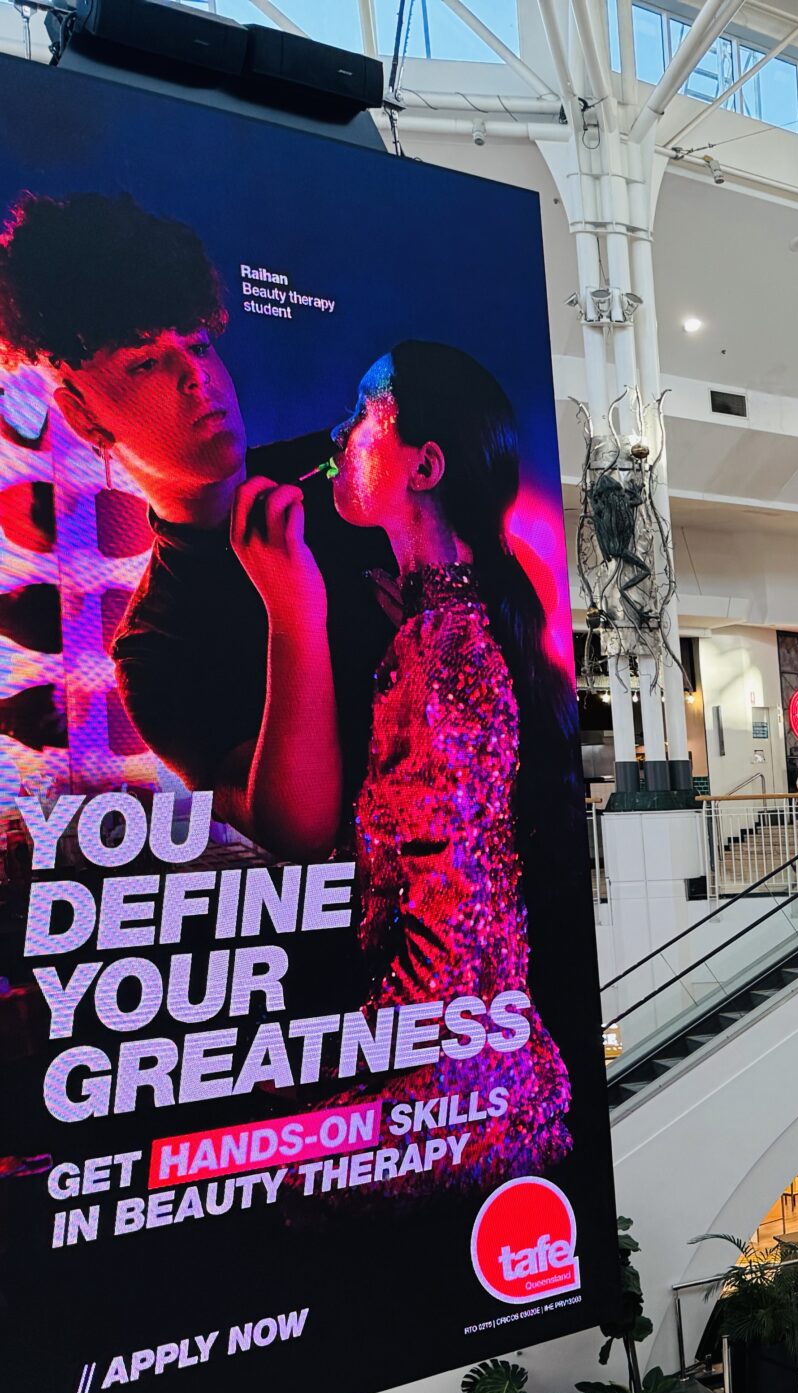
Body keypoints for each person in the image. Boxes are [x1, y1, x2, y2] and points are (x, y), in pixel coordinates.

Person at [0, 189, 395, 849]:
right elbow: (297, 829)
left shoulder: (345, 465)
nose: (197, 378)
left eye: (200, 345)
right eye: (147, 362)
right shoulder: (155, 649)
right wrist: (294, 612)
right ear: (83, 416)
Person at [289, 341, 574, 1193]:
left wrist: (357, 1086)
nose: (339, 433)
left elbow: (448, 945)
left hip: (454, 1106)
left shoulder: (444, 656)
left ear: (425, 465)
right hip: (475, 1076)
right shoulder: (446, 633)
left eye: (364, 412)